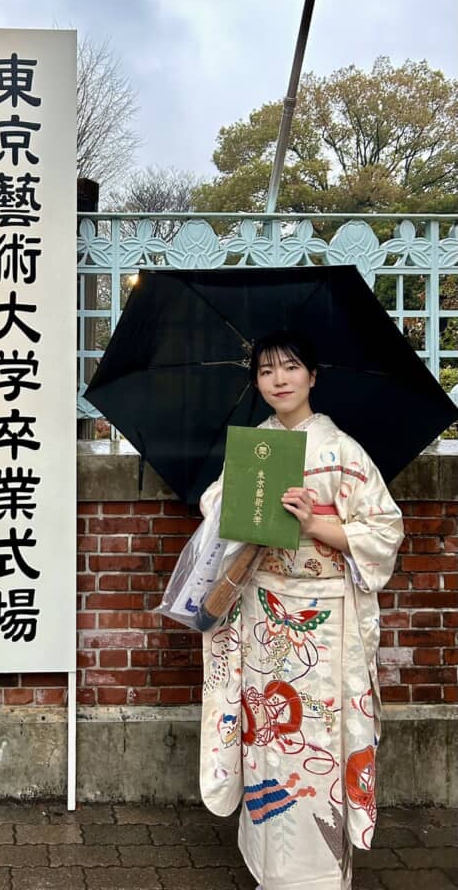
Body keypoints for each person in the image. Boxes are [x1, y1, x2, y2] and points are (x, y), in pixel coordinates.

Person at [198, 329, 404, 890]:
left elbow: (384, 530)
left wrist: (316, 524)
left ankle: (319, 874)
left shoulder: (343, 451)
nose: (279, 380)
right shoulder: (255, 449)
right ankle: (272, 867)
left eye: (290, 368)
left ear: (313, 376)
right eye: (266, 371)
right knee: (266, 733)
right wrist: (240, 503)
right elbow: (215, 507)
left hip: (326, 618)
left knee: (318, 737)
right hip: (263, 610)